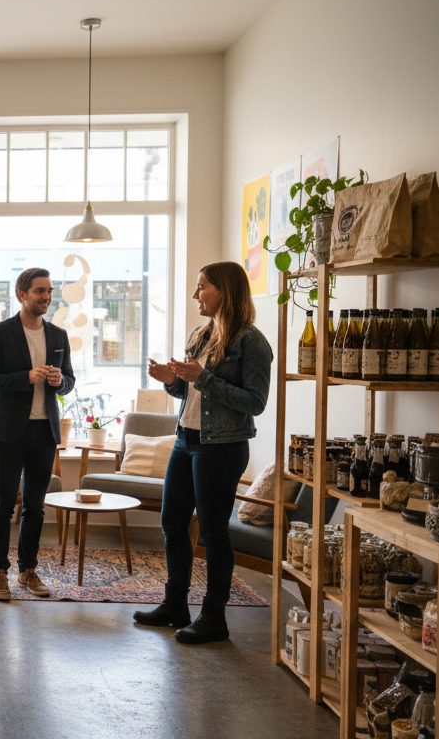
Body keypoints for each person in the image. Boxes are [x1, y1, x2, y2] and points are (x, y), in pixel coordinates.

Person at [134, 261, 272, 644]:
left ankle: (214, 617)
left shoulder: (252, 342)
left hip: (222, 448)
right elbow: (190, 394)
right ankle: (175, 605)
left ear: (224, 291)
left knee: (212, 533)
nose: (196, 295)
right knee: (173, 523)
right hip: (186, 440)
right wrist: (172, 382)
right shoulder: (201, 333)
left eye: (202, 288)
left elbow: (255, 402)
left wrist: (202, 377)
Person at [0, 268, 75, 601]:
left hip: (44, 431)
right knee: (3, 505)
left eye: (49, 290)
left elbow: (70, 381)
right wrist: (27, 377)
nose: (46, 296)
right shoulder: (0, 332)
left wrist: (58, 381)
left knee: (36, 506)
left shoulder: (59, 336)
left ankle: (28, 570)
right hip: (8, 431)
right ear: (21, 294)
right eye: (39, 291)